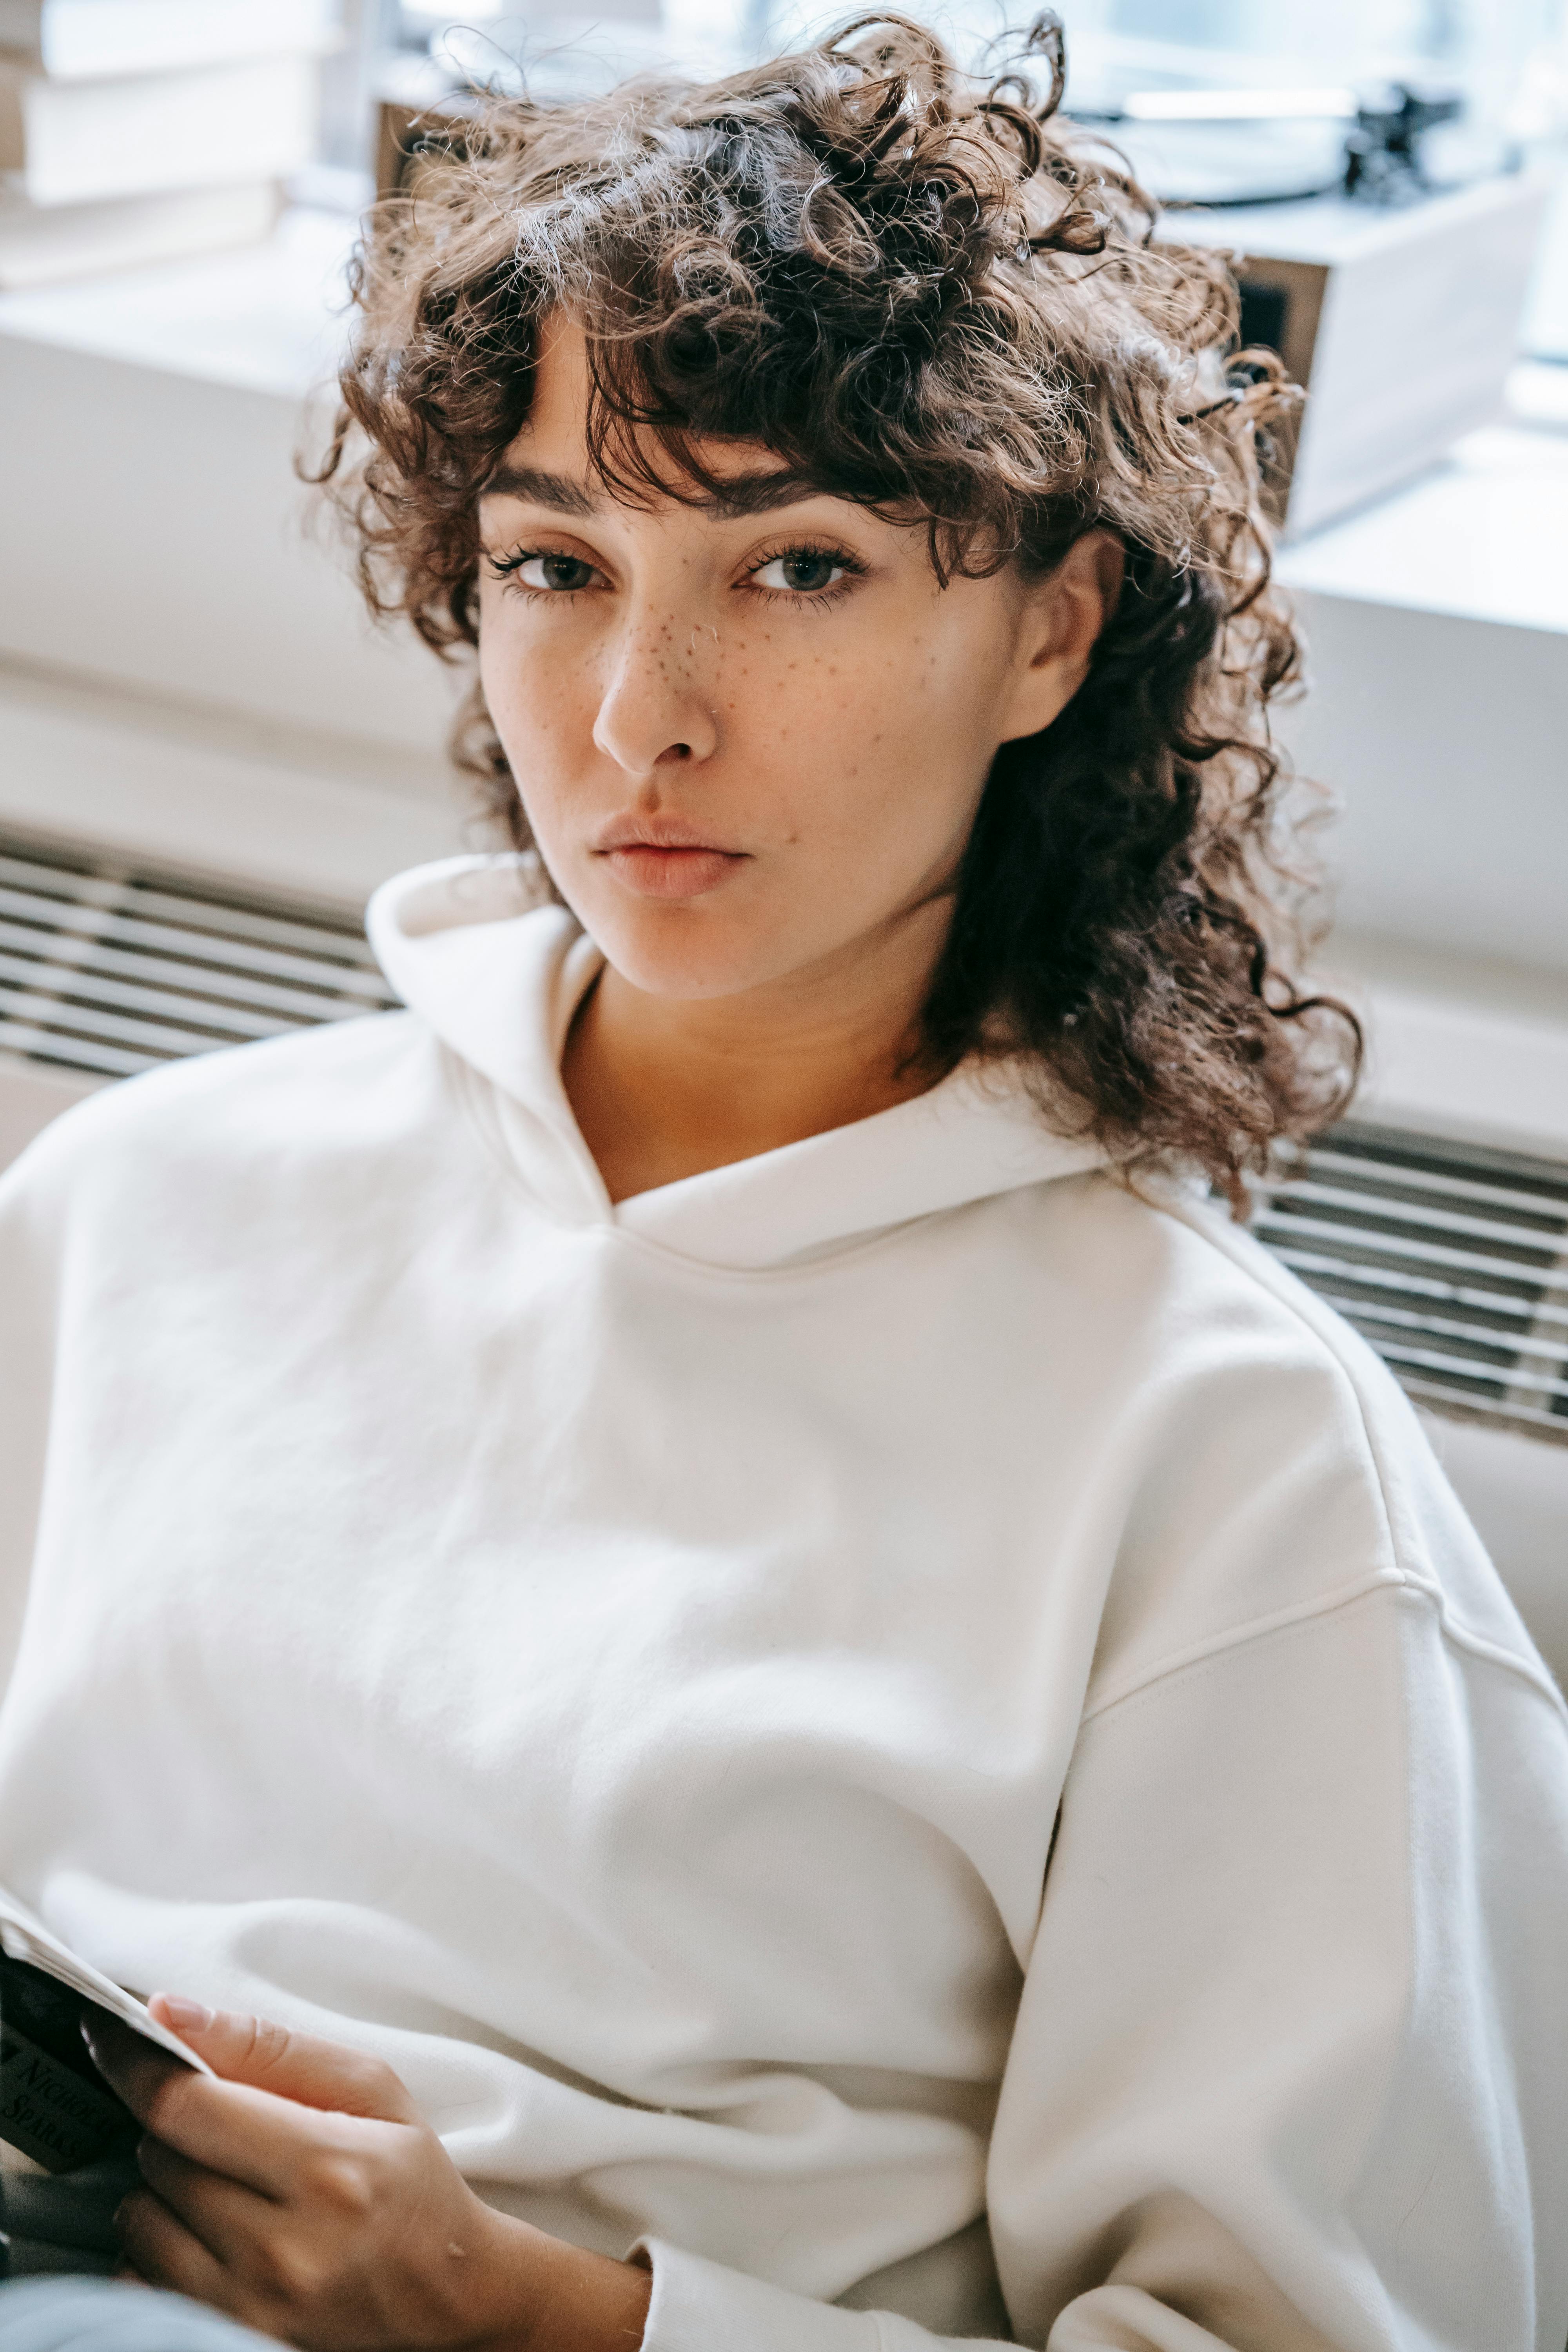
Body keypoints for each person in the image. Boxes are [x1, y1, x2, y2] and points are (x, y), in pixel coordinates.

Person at [2, 14, 1566, 2350]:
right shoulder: (142, 1202)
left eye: (802, 570)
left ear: (1048, 629)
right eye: (555, 563)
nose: (643, 710)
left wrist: (539, 2317)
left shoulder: (1229, 1472)